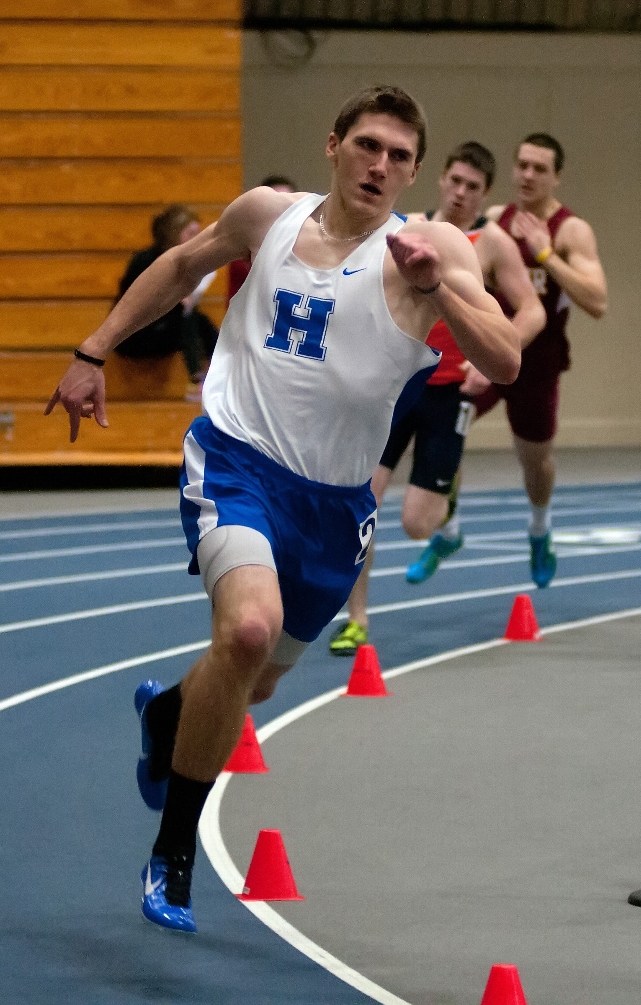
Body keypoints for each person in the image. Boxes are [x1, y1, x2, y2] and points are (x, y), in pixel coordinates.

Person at [44, 86, 520, 934]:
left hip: (333, 506)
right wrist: (94, 349)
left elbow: (507, 359)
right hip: (236, 460)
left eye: (400, 156)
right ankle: (174, 853)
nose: (382, 166)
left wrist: (438, 287)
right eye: (369, 145)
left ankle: (167, 711)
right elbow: (182, 266)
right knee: (249, 630)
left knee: (251, 679)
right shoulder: (267, 214)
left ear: (413, 171)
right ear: (333, 145)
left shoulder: (432, 244)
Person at [330, 141, 545, 655]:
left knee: (415, 524)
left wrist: (486, 363)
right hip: (398, 384)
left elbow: (531, 310)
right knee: (361, 504)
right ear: (440, 179)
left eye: (473, 187)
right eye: (455, 181)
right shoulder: (411, 230)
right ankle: (355, 618)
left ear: (485, 193)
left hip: (451, 391)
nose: (461, 192)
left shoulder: (490, 243)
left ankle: (447, 523)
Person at [471, 133, 607, 588]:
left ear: (557, 177)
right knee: (442, 419)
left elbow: (597, 301)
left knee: (535, 463)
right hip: (491, 350)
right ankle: (446, 527)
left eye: (540, 168)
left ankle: (539, 527)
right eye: (522, 165)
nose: (528, 175)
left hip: (538, 364)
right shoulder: (494, 220)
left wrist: (545, 253)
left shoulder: (572, 230)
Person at [114, 204, 219, 398]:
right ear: (174, 233)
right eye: (191, 233)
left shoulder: (187, 262)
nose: (196, 240)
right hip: (137, 334)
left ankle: (222, 369)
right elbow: (136, 305)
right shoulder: (146, 260)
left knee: (200, 320)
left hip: (163, 330)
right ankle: (195, 380)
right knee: (187, 317)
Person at [227, 175, 297, 300]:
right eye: (277, 204)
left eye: (288, 206)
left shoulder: (305, 247)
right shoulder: (242, 254)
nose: (283, 212)